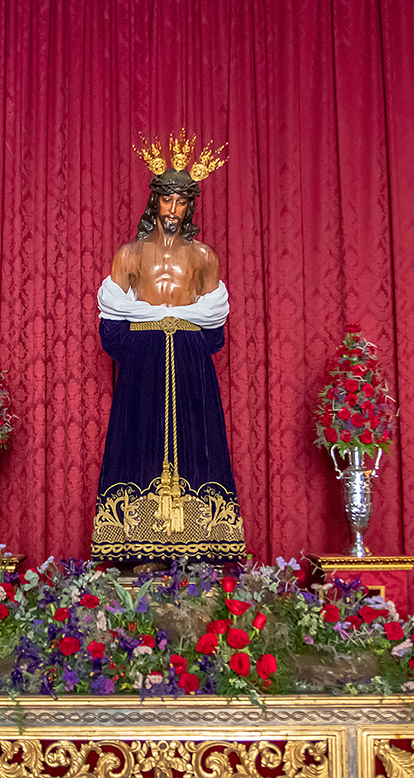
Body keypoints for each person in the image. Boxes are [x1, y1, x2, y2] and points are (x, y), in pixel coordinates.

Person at [91, 133, 246, 563]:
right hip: (142, 359)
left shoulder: (204, 257)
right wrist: (146, 345)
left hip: (190, 360)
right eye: (167, 200)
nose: (174, 210)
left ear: (189, 206)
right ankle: (138, 547)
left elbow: (213, 326)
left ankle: (199, 548)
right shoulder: (128, 255)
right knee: (140, 439)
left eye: (182, 202)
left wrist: (181, 338)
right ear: (155, 202)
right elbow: (112, 325)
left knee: (196, 440)